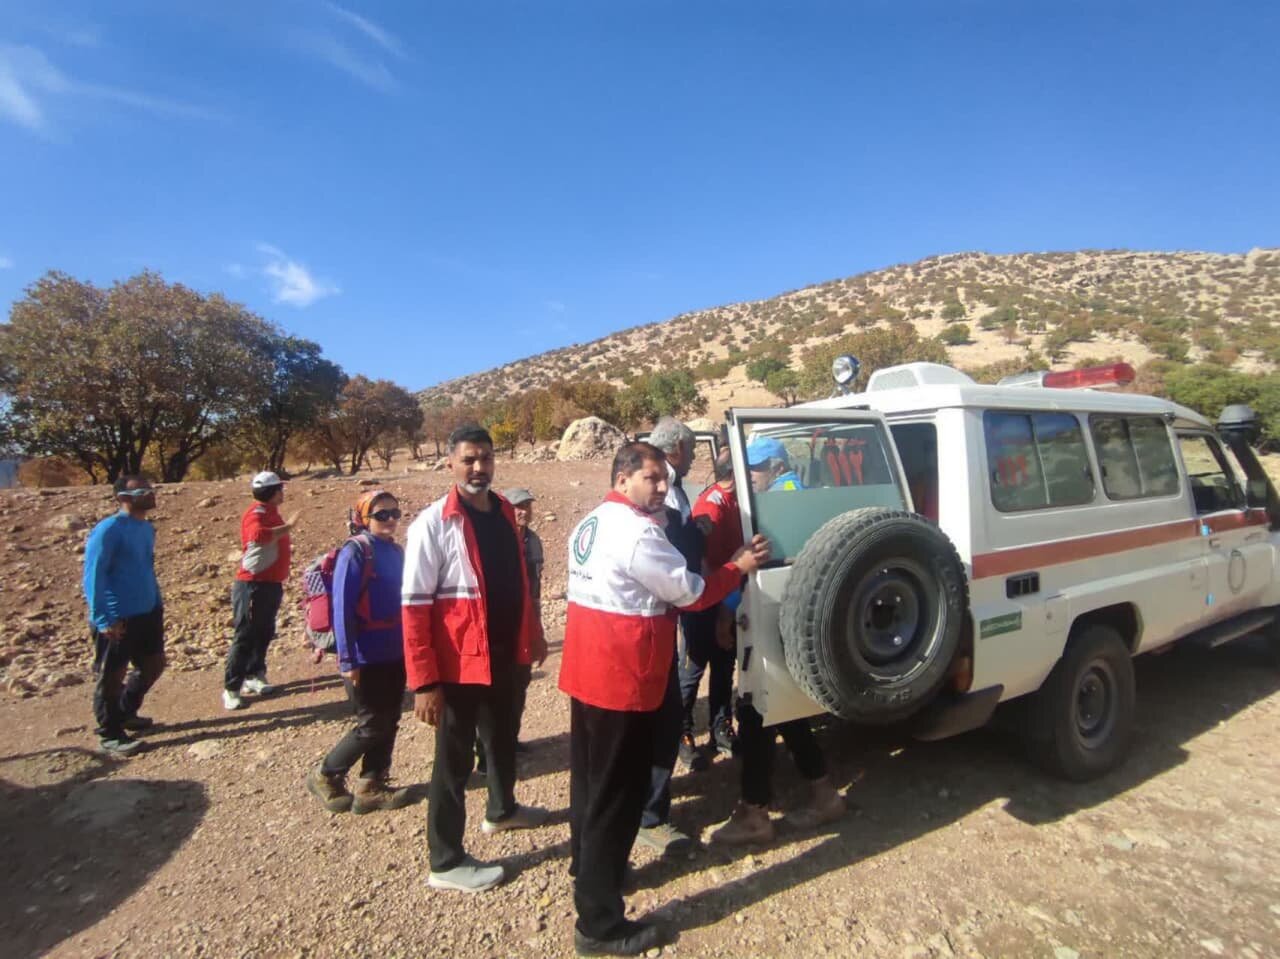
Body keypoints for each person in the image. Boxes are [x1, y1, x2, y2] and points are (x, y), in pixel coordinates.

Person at [561, 441, 771, 956]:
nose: (662, 488)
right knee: (618, 794)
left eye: (664, 478)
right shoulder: (636, 533)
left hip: (588, 671)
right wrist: (738, 566)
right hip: (622, 677)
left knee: (590, 784)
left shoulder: (593, 522)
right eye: (652, 479)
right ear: (623, 477)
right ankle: (600, 924)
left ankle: (588, 871)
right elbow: (691, 591)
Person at [403, 424, 549, 893]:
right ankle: (445, 861)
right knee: (452, 763)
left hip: (504, 656)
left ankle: (502, 810)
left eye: (485, 458)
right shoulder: (433, 523)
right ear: (450, 463)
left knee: (502, 737)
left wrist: (534, 634)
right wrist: (424, 682)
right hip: (458, 665)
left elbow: (519, 584)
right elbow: (414, 607)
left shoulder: (505, 512)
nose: (479, 467)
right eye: (469, 459)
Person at [710, 435, 843, 845]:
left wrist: (727, 608)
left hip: (773, 619)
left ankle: (755, 813)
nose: (748, 478)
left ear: (774, 468)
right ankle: (823, 794)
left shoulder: (777, 506)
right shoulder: (803, 496)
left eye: (753, 470)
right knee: (782, 708)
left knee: (757, 710)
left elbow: (760, 568)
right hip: (800, 622)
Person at [307, 490, 413, 815]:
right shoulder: (356, 552)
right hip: (365, 654)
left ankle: (372, 785)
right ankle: (326, 774)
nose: (391, 519)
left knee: (390, 718)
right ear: (363, 519)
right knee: (371, 724)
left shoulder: (395, 551)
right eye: (382, 515)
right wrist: (347, 658)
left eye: (395, 512)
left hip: (393, 651)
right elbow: (342, 607)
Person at [636, 417, 707, 857]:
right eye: (654, 479)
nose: (661, 487)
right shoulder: (644, 511)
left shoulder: (671, 489)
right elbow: (668, 558)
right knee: (658, 718)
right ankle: (649, 817)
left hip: (665, 614)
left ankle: (651, 808)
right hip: (658, 616)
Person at [82, 475, 166, 756]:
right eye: (143, 491)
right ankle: (109, 733)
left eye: (151, 488)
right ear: (123, 498)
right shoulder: (109, 530)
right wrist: (103, 618)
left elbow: (145, 566)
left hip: (148, 610)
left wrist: (156, 600)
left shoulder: (145, 528)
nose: (151, 494)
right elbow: (94, 576)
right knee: (111, 675)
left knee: (153, 665)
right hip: (118, 617)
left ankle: (125, 712)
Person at [475, 486, 543, 774]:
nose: (523, 511)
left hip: (527, 619)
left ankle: (509, 741)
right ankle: (484, 754)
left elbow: (537, 584)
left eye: (527, 505)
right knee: (494, 692)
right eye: (518, 506)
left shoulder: (534, 540)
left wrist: (537, 626)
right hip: (502, 622)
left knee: (520, 683)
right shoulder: (496, 539)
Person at [680, 449, 742, 761]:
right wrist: (721, 614)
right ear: (736, 473)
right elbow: (716, 565)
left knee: (723, 665)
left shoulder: (733, 500)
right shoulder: (713, 506)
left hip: (725, 599)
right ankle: (682, 731)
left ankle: (720, 727)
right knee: (694, 668)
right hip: (705, 601)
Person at [224, 471, 298, 710]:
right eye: (280, 489)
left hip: (271, 583)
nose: (283, 492)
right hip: (252, 585)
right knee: (245, 635)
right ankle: (231, 688)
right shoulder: (256, 513)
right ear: (272, 492)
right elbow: (257, 536)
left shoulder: (271, 512)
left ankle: (254, 675)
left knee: (264, 631)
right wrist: (288, 528)